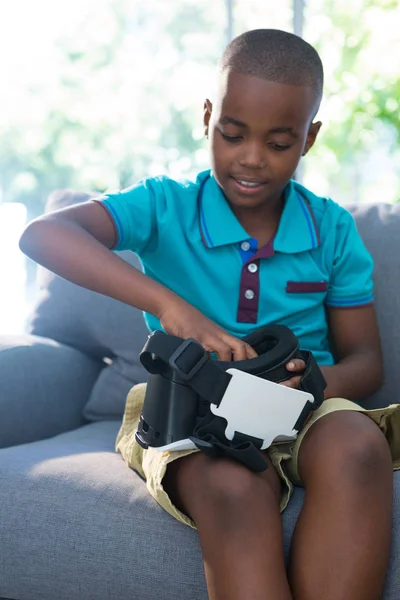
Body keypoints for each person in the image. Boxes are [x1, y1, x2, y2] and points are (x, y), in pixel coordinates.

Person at [19, 28, 397, 600]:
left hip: (304, 406)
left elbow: (366, 360)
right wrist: (173, 308)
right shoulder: (163, 205)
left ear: (309, 138)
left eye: (278, 142)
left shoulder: (333, 230)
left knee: (357, 446)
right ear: (206, 118)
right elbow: (43, 235)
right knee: (234, 485)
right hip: (190, 406)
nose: (251, 159)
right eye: (233, 133)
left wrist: (311, 386)